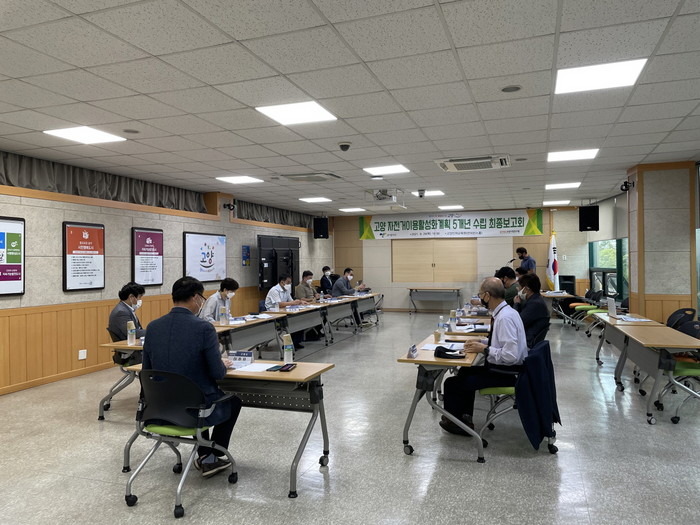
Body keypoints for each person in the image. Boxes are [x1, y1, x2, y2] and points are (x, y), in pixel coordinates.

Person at [142, 276, 242, 478]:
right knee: (232, 402)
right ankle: (211, 456)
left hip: (159, 408)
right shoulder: (203, 328)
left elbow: (147, 370)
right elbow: (217, 373)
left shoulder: (153, 327)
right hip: (194, 409)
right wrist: (220, 363)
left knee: (196, 394)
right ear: (196, 298)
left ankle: (205, 453)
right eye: (202, 299)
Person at [439, 277, 528, 436]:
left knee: (452, 383)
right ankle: (465, 417)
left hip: (506, 372)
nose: (480, 298)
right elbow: (501, 342)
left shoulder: (504, 318)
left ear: (487, 295)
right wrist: (481, 341)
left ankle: (457, 424)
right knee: (464, 371)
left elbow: (510, 355)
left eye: (481, 295)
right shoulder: (506, 312)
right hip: (505, 368)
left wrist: (485, 349)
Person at [265, 274, 308, 349]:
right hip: (274, 315)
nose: (290, 284)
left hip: (284, 312)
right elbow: (280, 304)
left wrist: (300, 302)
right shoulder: (274, 290)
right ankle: (288, 344)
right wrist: (293, 303)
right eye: (288, 282)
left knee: (300, 318)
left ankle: (296, 342)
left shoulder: (286, 290)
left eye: (290, 283)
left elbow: (291, 301)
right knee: (293, 321)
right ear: (282, 282)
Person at [513, 274, 550, 348]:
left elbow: (516, 323)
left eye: (520, 287)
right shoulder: (535, 299)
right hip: (527, 339)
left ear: (526, 289)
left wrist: (516, 304)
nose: (518, 290)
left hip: (527, 343)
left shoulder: (535, 304)